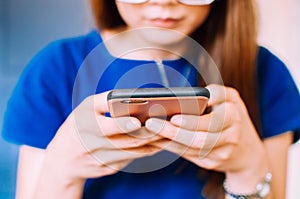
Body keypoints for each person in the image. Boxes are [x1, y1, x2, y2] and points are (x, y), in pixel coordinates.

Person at [2, 0, 300, 198]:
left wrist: (248, 169)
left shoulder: (264, 72)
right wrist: (62, 171)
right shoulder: (55, 68)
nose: (164, 3)